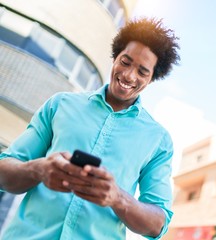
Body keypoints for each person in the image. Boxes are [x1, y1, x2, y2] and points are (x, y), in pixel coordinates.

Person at [0, 17, 180, 239]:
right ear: (115, 58)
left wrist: (117, 198)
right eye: (125, 62)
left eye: (142, 71)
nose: (129, 75)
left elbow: (157, 224)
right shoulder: (60, 105)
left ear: (152, 79)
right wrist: (39, 169)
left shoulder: (158, 140)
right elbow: (3, 171)